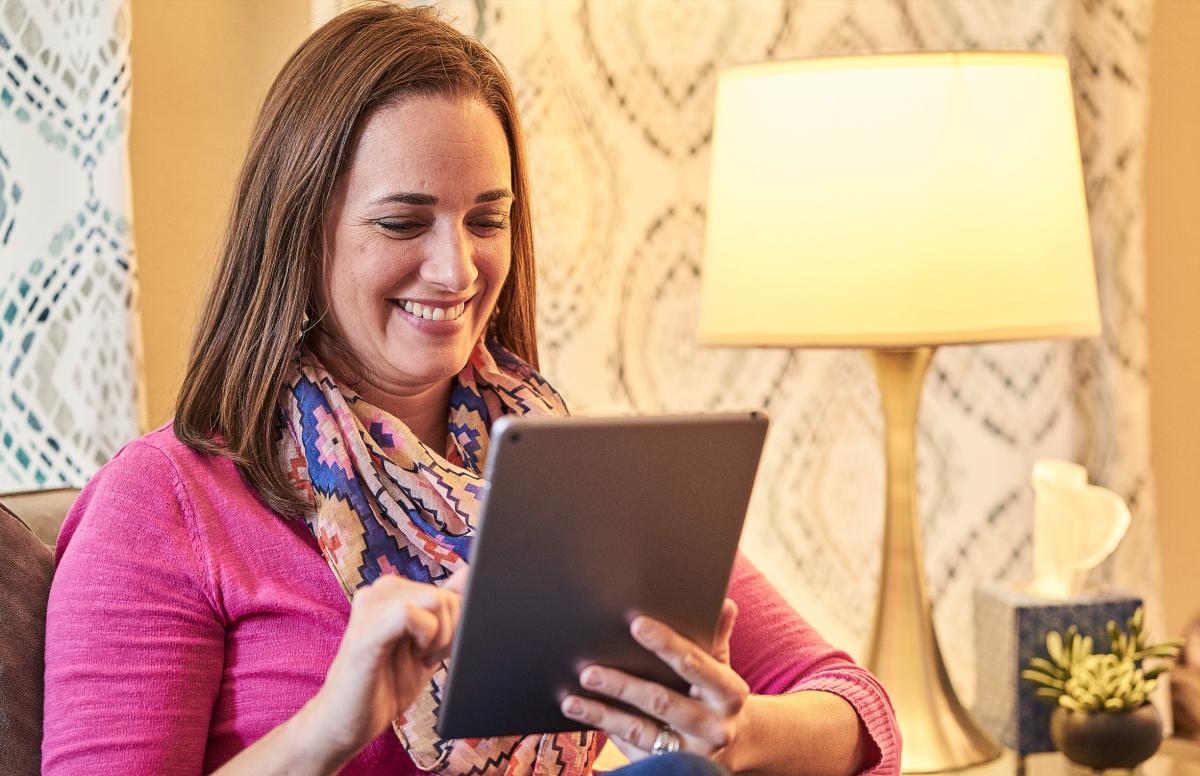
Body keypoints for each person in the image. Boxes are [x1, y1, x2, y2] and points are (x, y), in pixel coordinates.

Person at [41, 5, 901, 775]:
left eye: (487, 219)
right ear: (302, 231)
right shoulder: (166, 502)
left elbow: (859, 714)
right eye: (403, 221)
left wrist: (737, 732)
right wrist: (327, 732)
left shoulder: (570, 480)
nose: (457, 268)